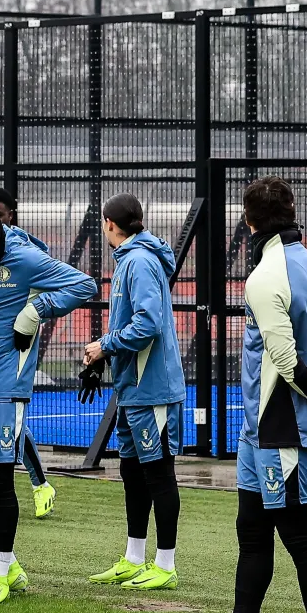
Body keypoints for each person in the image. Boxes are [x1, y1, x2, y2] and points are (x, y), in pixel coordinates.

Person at [176, 177, 307, 613]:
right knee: (251, 533)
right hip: (260, 430)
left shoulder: (265, 275)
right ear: (292, 213)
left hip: (281, 429)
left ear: (248, 221)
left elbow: (288, 359)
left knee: (298, 536)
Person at [0, 206, 96, 606]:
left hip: (5, 385)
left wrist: (35, 310)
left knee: (0, 479)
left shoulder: (24, 259)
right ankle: (7, 565)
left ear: (0, 240)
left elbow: (84, 284)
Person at [81, 193, 186, 591]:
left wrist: (105, 345)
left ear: (109, 223)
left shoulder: (139, 261)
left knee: (159, 473)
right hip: (133, 388)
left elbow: (148, 325)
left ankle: (166, 565)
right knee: (132, 470)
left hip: (152, 388)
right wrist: (104, 355)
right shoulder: (131, 258)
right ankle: (134, 557)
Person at [0, 185, 57, 518]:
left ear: (12, 215)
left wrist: (31, 313)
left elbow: (58, 286)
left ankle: (40, 486)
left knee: (7, 415)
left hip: (15, 344)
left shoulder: (25, 249)